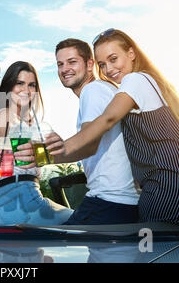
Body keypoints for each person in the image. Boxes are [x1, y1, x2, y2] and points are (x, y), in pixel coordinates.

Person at [55, 29, 179, 225]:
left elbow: (107, 120)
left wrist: (52, 153)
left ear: (131, 53)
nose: (108, 69)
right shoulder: (152, 83)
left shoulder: (134, 80)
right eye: (103, 64)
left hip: (174, 194)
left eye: (113, 59)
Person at [44, 38, 139, 225]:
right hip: (121, 203)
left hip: (110, 202)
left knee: (51, 242)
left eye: (72, 62)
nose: (65, 69)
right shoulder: (106, 89)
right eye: (60, 64)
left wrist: (38, 157)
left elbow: (88, 145)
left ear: (89, 65)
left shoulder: (93, 90)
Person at [0, 61, 74, 226]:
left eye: (31, 85)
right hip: (20, 200)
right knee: (80, 220)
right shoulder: (6, 114)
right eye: (19, 83)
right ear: (9, 87)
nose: (26, 90)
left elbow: (54, 153)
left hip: (5, 203)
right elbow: (8, 140)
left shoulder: (31, 123)